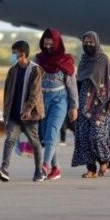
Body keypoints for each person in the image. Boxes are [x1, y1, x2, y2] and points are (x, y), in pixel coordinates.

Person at [0, 40, 46, 182]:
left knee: (34, 142)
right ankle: (4, 169)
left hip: (30, 115)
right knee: (9, 140)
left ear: (22, 54)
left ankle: (39, 171)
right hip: (14, 114)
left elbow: (35, 93)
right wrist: (6, 112)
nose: (12, 55)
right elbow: (7, 92)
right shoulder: (13, 70)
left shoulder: (35, 70)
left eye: (14, 53)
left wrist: (28, 109)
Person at [71, 32, 110, 179]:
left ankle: (104, 161)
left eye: (91, 42)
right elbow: (78, 83)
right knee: (84, 136)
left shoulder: (103, 59)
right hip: (84, 101)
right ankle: (91, 169)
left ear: (96, 42)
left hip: (101, 102)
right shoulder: (83, 60)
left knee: (96, 135)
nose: (88, 44)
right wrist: (74, 104)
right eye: (85, 42)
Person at [36, 28, 78, 180]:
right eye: (45, 44)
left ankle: (45, 165)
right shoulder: (38, 59)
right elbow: (34, 82)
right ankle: (56, 168)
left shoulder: (66, 61)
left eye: (51, 44)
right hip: (42, 100)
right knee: (45, 134)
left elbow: (72, 85)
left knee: (52, 132)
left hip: (60, 100)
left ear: (57, 43)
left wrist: (74, 107)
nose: (48, 47)